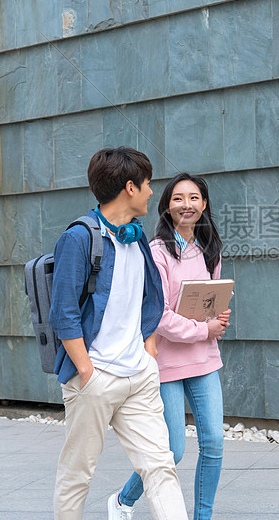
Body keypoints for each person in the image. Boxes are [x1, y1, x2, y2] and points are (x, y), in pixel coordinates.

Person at [50, 147, 188, 520]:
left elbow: (150, 297)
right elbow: (63, 313)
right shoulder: (79, 238)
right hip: (94, 377)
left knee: (161, 467)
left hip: (138, 376)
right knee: (78, 473)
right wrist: (86, 371)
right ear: (129, 187)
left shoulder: (136, 235)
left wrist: (148, 349)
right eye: (146, 184)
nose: (150, 192)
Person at [110, 172, 231, 520]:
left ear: (204, 205)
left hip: (204, 360)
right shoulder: (156, 252)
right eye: (178, 198)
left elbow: (210, 302)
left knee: (214, 445)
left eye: (194, 198)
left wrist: (218, 319)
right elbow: (158, 316)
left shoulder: (210, 250)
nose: (187, 204)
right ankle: (123, 500)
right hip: (165, 363)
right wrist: (202, 329)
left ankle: (202, 517)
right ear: (166, 206)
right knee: (171, 451)